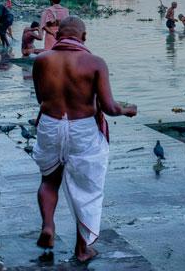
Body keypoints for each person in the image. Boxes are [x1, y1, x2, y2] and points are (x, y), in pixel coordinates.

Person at [31, 16, 137, 262]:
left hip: (50, 124)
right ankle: (82, 250)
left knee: (49, 179)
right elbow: (110, 107)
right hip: (82, 129)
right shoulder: (95, 62)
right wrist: (126, 109)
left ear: (58, 36)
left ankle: (48, 225)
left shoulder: (42, 60)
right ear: (84, 37)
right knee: (86, 189)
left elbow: (40, 98)